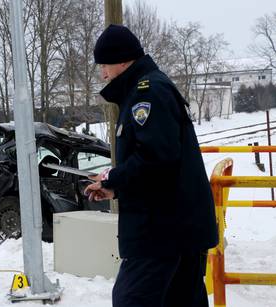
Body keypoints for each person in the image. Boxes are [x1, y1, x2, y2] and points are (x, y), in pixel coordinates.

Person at [85, 24, 218, 307]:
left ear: (122, 60)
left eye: (105, 64)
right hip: (176, 226)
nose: (103, 73)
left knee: (132, 299)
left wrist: (113, 178)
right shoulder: (145, 89)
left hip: (162, 230)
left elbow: (156, 159)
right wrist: (115, 188)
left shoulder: (147, 93)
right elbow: (159, 167)